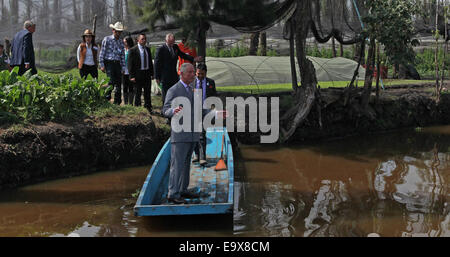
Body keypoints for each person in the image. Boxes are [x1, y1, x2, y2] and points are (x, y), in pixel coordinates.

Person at [162, 63, 202, 204]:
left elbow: (199, 111)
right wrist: (173, 111)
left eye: (193, 72)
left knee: (186, 164)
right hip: (179, 135)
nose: (193, 74)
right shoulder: (173, 90)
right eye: (190, 72)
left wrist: (215, 113)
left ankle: (183, 189)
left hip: (191, 134)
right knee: (177, 165)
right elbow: (165, 110)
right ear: (182, 73)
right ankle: (173, 193)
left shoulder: (192, 90)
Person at [154, 33, 203, 106]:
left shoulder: (175, 47)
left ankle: (175, 109)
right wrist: (156, 77)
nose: (171, 44)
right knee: (166, 94)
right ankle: (165, 111)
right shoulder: (161, 49)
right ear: (166, 41)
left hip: (173, 75)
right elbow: (156, 64)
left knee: (175, 93)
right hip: (164, 76)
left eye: (172, 42)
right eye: (169, 42)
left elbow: (182, 55)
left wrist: (193, 59)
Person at [192, 63, 217, 166]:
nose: (200, 76)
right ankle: (196, 155)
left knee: (202, 133)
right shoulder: (191, 82)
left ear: (206, 73)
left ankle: (202, 158)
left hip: (205, 110)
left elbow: (214, 96)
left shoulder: (211, 82)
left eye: (202, 74)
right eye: (198, 74)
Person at [99, 21, 126, 105]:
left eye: (120, 31)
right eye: (117, 31)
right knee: (111, 81)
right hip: (109, 63)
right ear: (113, 30)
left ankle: (117, 101)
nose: (118, 33)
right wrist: (102, 65)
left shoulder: (121, 42)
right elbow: (102, 53)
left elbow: (122, 55)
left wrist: (123, 67)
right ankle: (107, 98)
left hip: (117, 63)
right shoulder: (107, 39)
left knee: (118, 82)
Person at [128, 34, 154, 112]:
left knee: (147, 92)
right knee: (138, 92)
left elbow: (150, 62)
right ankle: (137, 109)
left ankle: (148, 108)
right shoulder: (133, 50)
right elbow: (130, 64)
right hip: (138, 74)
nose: (144, 40)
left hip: (146, 73)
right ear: (138, 40)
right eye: (142, 39)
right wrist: (131, 76)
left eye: (145, 39)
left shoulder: (147, 49)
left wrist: (152, 73)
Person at [122, 36, 134, 105]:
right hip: (124, 72)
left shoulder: (132, 50)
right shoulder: (123, 50)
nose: (124, 43)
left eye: (125, 42)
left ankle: (131, 102)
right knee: (124, 87)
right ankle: (126, 103)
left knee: (131, 87)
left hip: (130, 72)